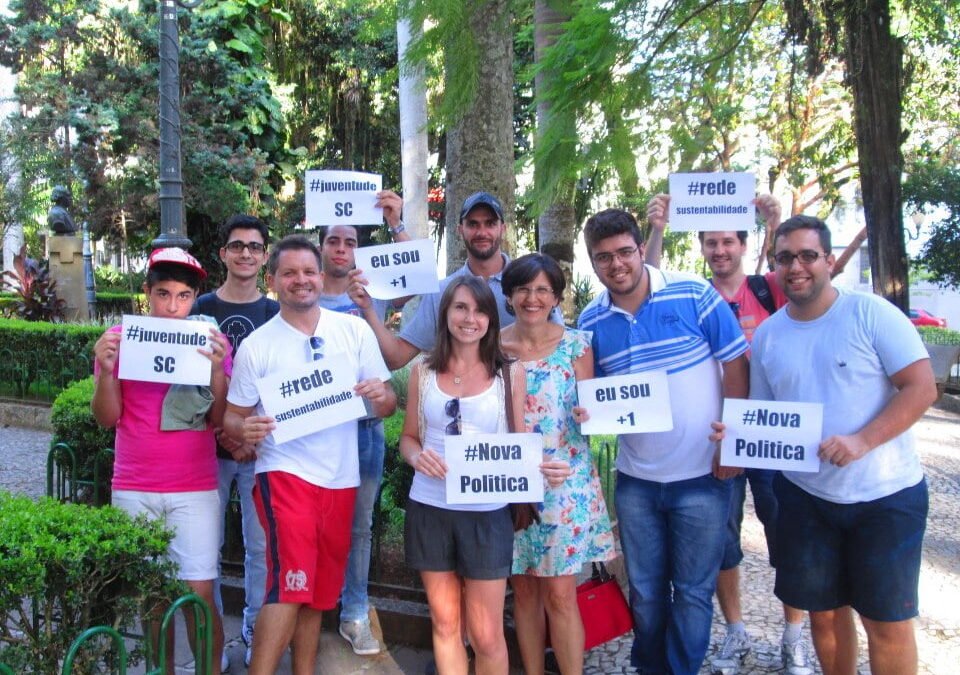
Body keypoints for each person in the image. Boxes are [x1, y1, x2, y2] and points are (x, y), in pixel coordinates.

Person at [722, 215, 937, 675]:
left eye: (807, 255)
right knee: (824, 615)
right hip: (806, 499)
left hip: (886, 496)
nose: (795, 266)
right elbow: (764, 415)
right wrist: (736, 434)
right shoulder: (770, 336)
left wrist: (863, 440)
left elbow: (921, 387)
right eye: (784, 258)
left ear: (829, 261)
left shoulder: (871, 313)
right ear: (774, 267)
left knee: (887, 623)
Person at [577, 208, 749, 675]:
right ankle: (649, 666)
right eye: (603, 258)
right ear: (592, 263)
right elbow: (589, 393)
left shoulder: (693, 293)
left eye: (624, 252)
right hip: (637, 483)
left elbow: (736, 364)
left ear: (640, 248)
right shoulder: (591, 320)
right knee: (648, 591)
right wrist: (586, 410)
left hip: (704, 476)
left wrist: (732, 440)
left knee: (694, 592)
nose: (617, 265)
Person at [646, 194, 811, 675]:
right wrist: (656, 227)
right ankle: (736, 633)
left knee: (787, 537)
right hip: (716, 438)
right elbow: (643, 282)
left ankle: (794, 636)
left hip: (772, 434)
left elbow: (804, 272)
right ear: (700, 247)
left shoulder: (767, 289)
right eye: (711, 242)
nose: (720, 250)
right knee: (722, 542)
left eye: (728, 242)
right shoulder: (689, 294)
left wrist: (776, 220)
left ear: (743, 245)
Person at [222, 235, 396, 675]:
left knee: (318, 593)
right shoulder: (258, 345)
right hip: (284, 474)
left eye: (308, 271)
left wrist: (380, 395)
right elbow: (231, 419)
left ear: (321, 276)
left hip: (341, 478)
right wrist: (248, 428)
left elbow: (387, 402)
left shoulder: (354, 331)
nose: (300, 280)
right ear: (273, 280)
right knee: (289, 586)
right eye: (289, 273)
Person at [399, 276, 570, 675]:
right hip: (430, 506)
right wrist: (416, 457)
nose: (469, 318)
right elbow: (408, 438)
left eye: (478, 310)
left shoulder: (508, 373)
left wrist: (545, 469)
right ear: (446, 314)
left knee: (487, 633)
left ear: (491, 320)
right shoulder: (422, 372)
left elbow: (519, 443)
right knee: (445, 625)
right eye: (460, 307)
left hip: (486, 513)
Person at [92, 247, 231, 673]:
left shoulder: (210, 342)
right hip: (134, 486)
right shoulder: (119, 339)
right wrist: (106, 368)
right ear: (147, 294)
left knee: (199, 595)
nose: (173, 306)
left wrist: (217, 372)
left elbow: (219, 420)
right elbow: (106, 418)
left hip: (194, 488)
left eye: (184, 296)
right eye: (164, 294)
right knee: (152, 599)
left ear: (195, 298)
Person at [499, 253, 617, 675]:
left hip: (565, 484)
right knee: (524, 593)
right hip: (509, 483)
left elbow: (597, 408)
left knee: (561, 595)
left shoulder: (577, 344)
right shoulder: (492, 346)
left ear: (556, 297)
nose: (533, 298)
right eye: (523, 289)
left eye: (543, 289)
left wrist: (594, 415)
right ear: (510, 295)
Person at [316, 189, 409, 656]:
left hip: (364, 428)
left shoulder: (370, 290)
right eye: (333, 240)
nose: (341, 248)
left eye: (349, 241)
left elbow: (415, 280)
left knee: (359, 526)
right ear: (321, 247)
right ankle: (310, 608)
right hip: (313, 430)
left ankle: (353, 611)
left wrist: (395, 221)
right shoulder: (303, 293)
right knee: (309, 523)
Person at [190, 214, 279, 668]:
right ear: (223, 253)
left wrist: (247, 437)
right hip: (207, 451)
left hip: (258, 451)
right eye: (237, 245)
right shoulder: (199, 309)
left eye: (254, 246)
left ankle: (252, 630)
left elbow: (282, 383)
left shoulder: (275, 313)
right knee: (204, 547)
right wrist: (227, 431)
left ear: (265, 256)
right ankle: (212, 640)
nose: (245, 253)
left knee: (259, 548)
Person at [349, 191, 561, 370]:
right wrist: (368, 309)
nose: (482, 232)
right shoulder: (442, 292)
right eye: (473, 224)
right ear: (460, 229)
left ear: (502, 228)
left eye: (490, 223)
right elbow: (396, 358)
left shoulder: (531, 287)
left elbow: (562, 347)